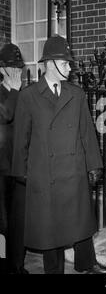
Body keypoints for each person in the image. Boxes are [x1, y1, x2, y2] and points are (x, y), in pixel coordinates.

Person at [11, 34, 106, 274]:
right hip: (45, 175)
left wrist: (93, 165)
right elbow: (20, 141)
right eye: (65, 62)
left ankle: (86, 263)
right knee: (51, 232)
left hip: (74, 171)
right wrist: (23, 174)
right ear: (50, 64)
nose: (70, 66)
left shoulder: (76, 94)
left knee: (80, 221)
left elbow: (87, 132)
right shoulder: (28, 96)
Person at [0, 43, 28, 274]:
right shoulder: (8, 93)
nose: (17, 72)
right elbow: (6, 114)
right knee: (2, 224)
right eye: (12, 67)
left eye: (18, 67)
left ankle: (17, 266)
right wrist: (14, 90)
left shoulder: (22, 93)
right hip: (0, 168)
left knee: (19, 222)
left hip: (18, 167)